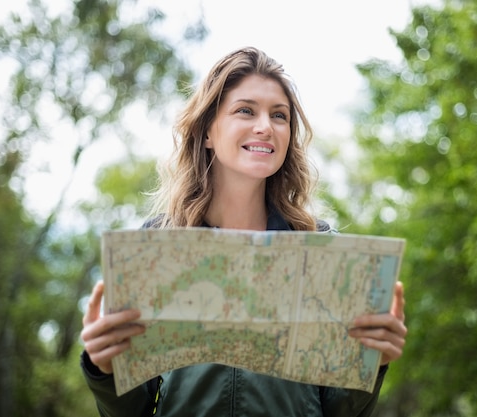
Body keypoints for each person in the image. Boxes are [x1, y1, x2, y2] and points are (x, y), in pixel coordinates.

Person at [80, 46, 407, 417]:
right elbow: (131, 412)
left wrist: (373, 362)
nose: (265, 126)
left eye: (279, 115)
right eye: (245, 110)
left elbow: (341, 411)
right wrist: (103, 369)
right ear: (207, 132)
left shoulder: (319, 250)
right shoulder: (159, 246)